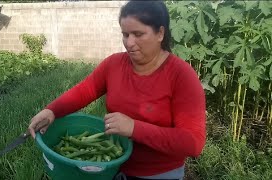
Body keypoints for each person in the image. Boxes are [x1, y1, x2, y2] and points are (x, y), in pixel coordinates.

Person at [28, 1, 206, 180]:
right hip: (110, 167)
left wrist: (134, 128)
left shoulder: (181, 76)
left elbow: (193, 143)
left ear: (160, 33)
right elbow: (85, 90)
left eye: (138, 34)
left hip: (158, 174)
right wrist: (51, 110)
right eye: (125, 34)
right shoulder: (114, 64)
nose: (129, 43)